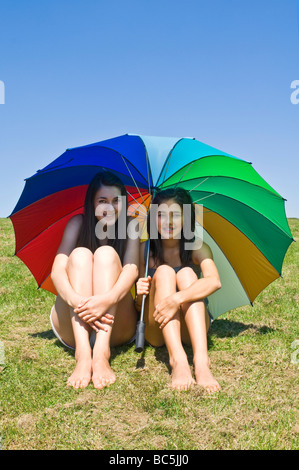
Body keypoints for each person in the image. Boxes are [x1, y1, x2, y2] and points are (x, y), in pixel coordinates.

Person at [50, 170, 139, 389]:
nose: (110, 207)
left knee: (106, 254)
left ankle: (101, 353)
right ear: (92, 203)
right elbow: (57, 271)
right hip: (74, 322)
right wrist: (78, 301)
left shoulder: (131, 227)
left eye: (116, 200)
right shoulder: (77, 224)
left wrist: (106, 300)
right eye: (103, 201)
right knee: (80, 254)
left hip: (115, 323)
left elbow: (131, 270)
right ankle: (82, 354)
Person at [136, 188, 221, 393]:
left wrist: (176, 299)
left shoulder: (197, 247)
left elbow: (214, 281)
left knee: (186, 275)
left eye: (176, 214)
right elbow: (140, 307)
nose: (168, 222)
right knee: (164, 272)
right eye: (161, 215)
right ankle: (178, 360)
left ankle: (201, 361)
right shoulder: (146, 251)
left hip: (191, 329)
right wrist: (140, 294)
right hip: (157, 329)